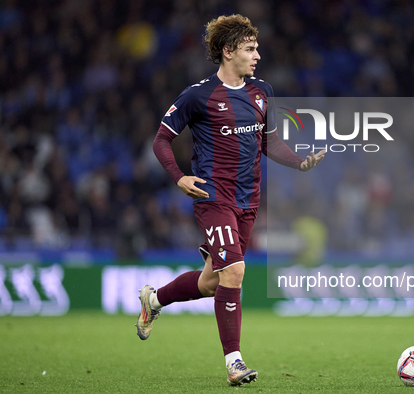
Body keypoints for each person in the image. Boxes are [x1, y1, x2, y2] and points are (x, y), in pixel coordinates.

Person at [135, 14, 325, 386]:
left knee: (211, 283)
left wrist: (300, 162)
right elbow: (161, 139)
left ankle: (153, 300)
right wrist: (180, 177)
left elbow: (269, 141)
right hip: (213, 197)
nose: (257, 55)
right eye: (250, 49)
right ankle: (234, 363)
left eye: (257, 48)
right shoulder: (198, 95)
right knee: (235, 273)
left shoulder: (262, 92)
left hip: (248, 200)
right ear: (228, 51)